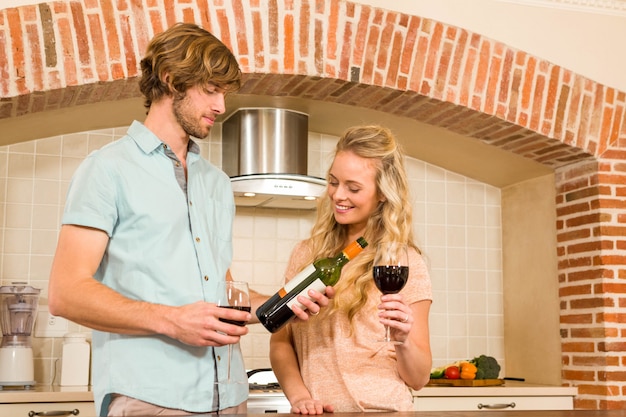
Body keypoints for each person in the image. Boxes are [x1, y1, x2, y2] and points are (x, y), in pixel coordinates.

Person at [47, 22, 329, 417]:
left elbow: (223, 295)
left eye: (224, 94)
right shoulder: (107, 169)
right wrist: (172, 321)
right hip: (151, 400)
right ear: (170, 80)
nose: (221, 107)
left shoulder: (214, 183)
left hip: (230, 398)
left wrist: (285, 300)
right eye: (211, 90)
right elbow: (66, 292)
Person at [270, 125, 433, 413]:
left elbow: (418, 378)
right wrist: (299, 398)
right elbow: (281, 341)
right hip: (321, 412)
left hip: (385, 410)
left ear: (383, 193)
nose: (338, 195)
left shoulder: (404, 261)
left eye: (353, 187)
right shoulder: (307, 254)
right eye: (334, 182)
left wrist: (403, 340)